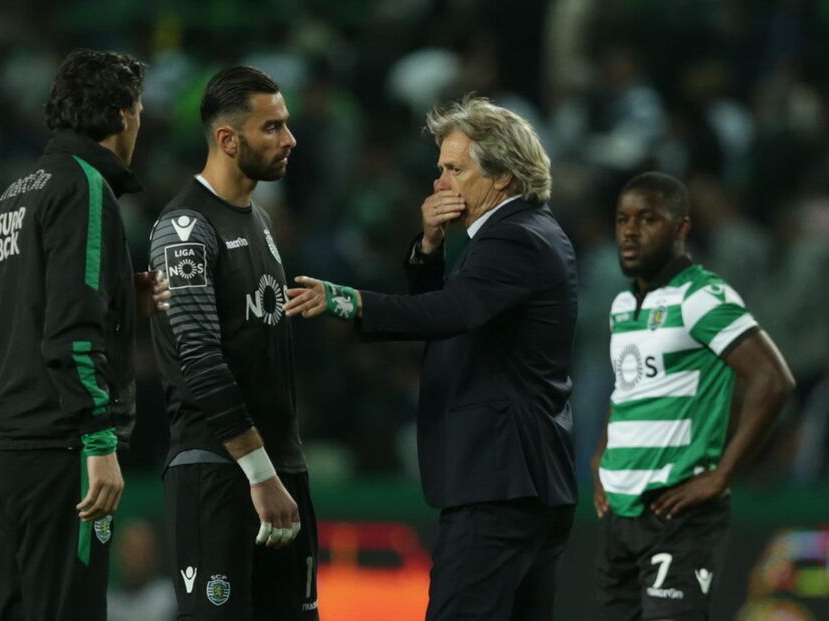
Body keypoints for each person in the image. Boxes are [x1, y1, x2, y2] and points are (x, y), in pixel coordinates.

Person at [285, 95, 578, 621]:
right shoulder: (527, 232)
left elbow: (447, 312)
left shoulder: (514, 238)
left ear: (502, 176)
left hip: (498, 483)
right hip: (523, 481)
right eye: (440, 169)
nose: (439, 182)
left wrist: (346, 300)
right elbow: (443, 316)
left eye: (454, 170)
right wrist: (429, 245)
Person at [0, 49, 170, 621]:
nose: (140, 122)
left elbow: (30, 308)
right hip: (59, 444)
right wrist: (98, 440)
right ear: (121, 114)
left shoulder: (15, 194)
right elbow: (70, 329)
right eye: (138, 110)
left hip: (5, 442)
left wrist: (118, 293)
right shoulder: (84, 187)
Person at [148, 66, 318, 620]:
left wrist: (279, 470)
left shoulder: (260, 219)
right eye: (271, 128)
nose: (289, 139)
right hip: (220, 474)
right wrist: (260, 474)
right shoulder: (185, 229)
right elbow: (199, 359)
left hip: (279, 469)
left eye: (285, 124)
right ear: (227, 139)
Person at [591, 172, 795, 621]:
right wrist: (603, 453)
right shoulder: (623, 304)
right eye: (623, 219)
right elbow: (628, 387)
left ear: (681, 228)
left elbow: (773, 380)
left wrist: (721, 475)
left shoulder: (702, 296)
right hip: (620, 512)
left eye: (647, 219)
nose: (630, 231)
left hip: (677, 512)